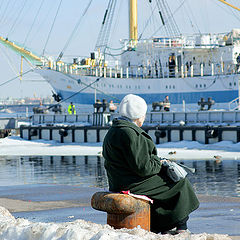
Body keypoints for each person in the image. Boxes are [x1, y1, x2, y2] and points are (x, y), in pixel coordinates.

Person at [102, 94, 199, 234]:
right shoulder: (131, 133)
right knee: (178, 182)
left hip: (119, 180)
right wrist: (159, 163)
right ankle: (180, 227)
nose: (144, 118)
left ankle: (166, 224)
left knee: (165, 182)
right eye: (143, 115)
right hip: (130, 183)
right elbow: (144, 168)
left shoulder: (115, 129)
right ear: (137, 115)